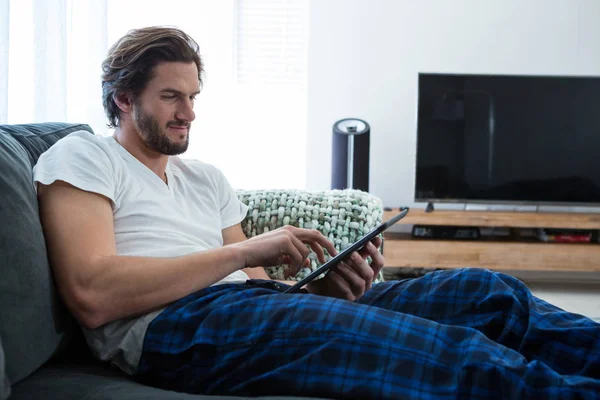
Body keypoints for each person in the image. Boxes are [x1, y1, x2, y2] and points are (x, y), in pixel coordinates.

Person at [33, 26, 600, 399]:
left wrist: (327, 293)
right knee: (437, 353)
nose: (189, 114)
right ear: (124, 99)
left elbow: (259, 294)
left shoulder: (204, 177)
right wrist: (246, 249)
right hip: (174, 333)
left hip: (241, 309)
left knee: (484, 293)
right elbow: (92, 292)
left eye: (194, 97)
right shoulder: (84, 156)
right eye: (171, 98)